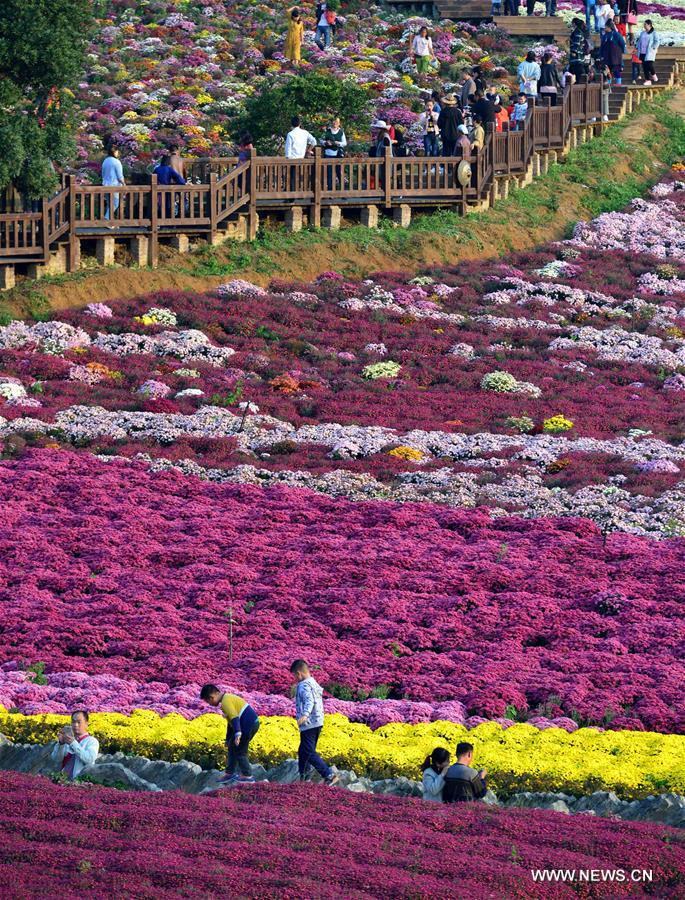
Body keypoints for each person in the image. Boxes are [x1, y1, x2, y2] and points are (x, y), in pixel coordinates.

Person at [290, 659, 339, 786]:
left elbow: (309, 700)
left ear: (299, 673)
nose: (295, 679)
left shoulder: (304, 685)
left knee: (308, 751)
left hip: (309, 723)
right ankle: (304, 778)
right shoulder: (313, 682)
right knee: (303, 751)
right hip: (317, 721)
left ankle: (329, 775)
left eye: (295, 675)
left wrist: (305, 715)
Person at [200, 684, 260, 784]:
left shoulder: (225, 702)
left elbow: (235, 718)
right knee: (232, 746)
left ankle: (247, 776)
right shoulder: (226, 699)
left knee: (240, 750)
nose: (209, 704)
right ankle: (230, 773)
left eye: (208, 702)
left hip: (248, 725)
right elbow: (230, 723)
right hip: (247, 725)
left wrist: (237, 735)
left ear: (211, 697)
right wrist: (228, 739)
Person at [51, 710, 99, 780]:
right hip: (62, 781)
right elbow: (56, 759)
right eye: (73, 722)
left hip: (81, 782)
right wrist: (61, 744)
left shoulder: (92, 741)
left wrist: (73, 743)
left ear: (86, 724)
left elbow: (89, 759)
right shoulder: (67, 740)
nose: (75, 725)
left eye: (79, 722)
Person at [101, 144, 125, 221]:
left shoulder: (105, 161)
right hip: (114, 185)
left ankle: (109, 222)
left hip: (105, 185)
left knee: (109, 204)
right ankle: (107, 219)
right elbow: (120, 176)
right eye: (117, 151)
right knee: (115, 203)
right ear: (115, 152)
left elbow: (103, 173)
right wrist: (124, 185)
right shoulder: (116, 162)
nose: (118, 153)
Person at [637, 20, 659, 85]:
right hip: (642, 52)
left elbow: (657, 41)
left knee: (649, 65)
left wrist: (653, 47)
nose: (644, 25)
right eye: (644, 24)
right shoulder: (642, 33)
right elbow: (639, 41)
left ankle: (654, 75)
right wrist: (637, 47)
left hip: (649, 52)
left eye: (645, 24)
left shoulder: (654, 33)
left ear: (649, 25)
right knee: (644, 66)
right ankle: (648, 80)